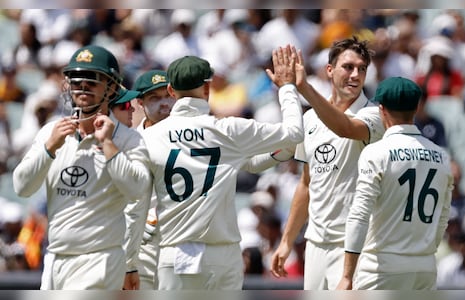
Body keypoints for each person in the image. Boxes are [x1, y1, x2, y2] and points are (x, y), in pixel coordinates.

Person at [142, 49, 303, 290]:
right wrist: (288, 87)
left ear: (171, 91)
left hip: (173, 252)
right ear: (207, 89)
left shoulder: (149, 137)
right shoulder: (227, 130)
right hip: (223, 254)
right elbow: (293, 133)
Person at [12, 45, 152, 290]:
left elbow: (137, 191)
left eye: (92, 80)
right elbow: (22, 187)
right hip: (55, 259)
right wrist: (49, 149)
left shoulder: (128, 139)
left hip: (99, 259)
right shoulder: (51, 132)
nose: (82, 87)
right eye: (76, 81)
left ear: (110, 87)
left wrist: (108, 145)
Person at [270, 37, 385, 290]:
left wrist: (304, 88)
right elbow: (306, 184)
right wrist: (287, 241)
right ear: (329, 70)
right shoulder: (310, 119)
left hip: (355, 248)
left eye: (362, 68)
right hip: (315, 245)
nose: (355, 74)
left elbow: (344, 128)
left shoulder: (373, 115)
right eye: (348, 67)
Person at [336, 77, 453, 290]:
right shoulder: (442, 156)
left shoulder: (376, 152)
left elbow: (359, 214)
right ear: (416, 108)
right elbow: (443, 217)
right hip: (424, 267)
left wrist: (346, 275)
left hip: (381, 269)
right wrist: (423, 252)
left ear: (381, 109)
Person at [126, 69, 174, 289]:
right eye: (155, 98)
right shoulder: (130, 142)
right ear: (140, 103)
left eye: (168, 96)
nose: (164, 104)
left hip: (178, 245)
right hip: (142, 248)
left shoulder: (190, 137)